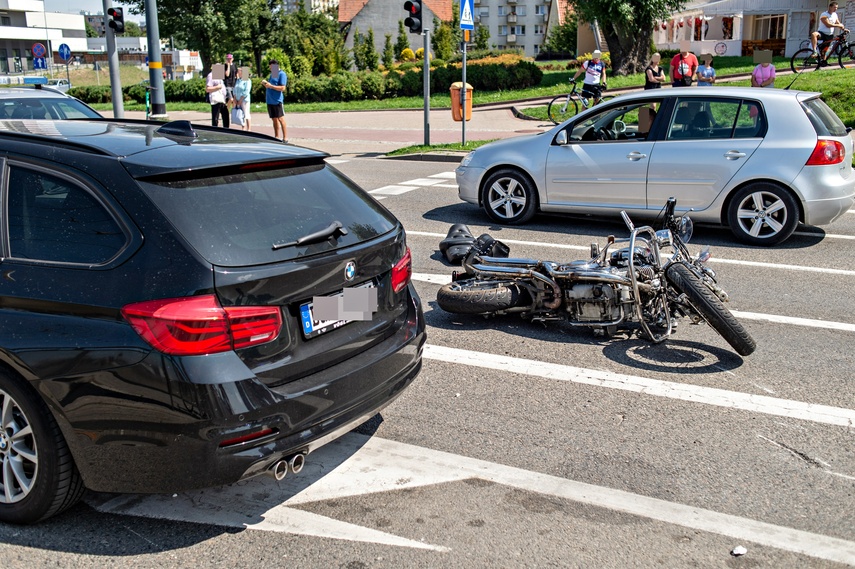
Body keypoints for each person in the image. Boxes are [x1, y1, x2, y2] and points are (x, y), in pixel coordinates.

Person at [261, 60, 288, 142]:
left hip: (277, 100)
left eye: (271, 67)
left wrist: (271, 86)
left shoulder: (281, 74)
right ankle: (277, 136)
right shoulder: (273, 74)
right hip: (270, 100)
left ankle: (285, 137)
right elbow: (272, 84)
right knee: (274, 119)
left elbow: (282, 88)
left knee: (281, 118)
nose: (270, 68)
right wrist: (266, 84)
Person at [233, 67, 252, 132]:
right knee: (241, 114)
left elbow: (246, 91)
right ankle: (243, 127)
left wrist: (241, 100)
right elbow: (235, 89)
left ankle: (249, 128)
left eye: (239, 71)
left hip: (244, 100)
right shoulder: (238, 80)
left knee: (246, 113)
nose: (238, 73)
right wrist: (235, 98)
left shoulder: (247, 80)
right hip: (237, 99)